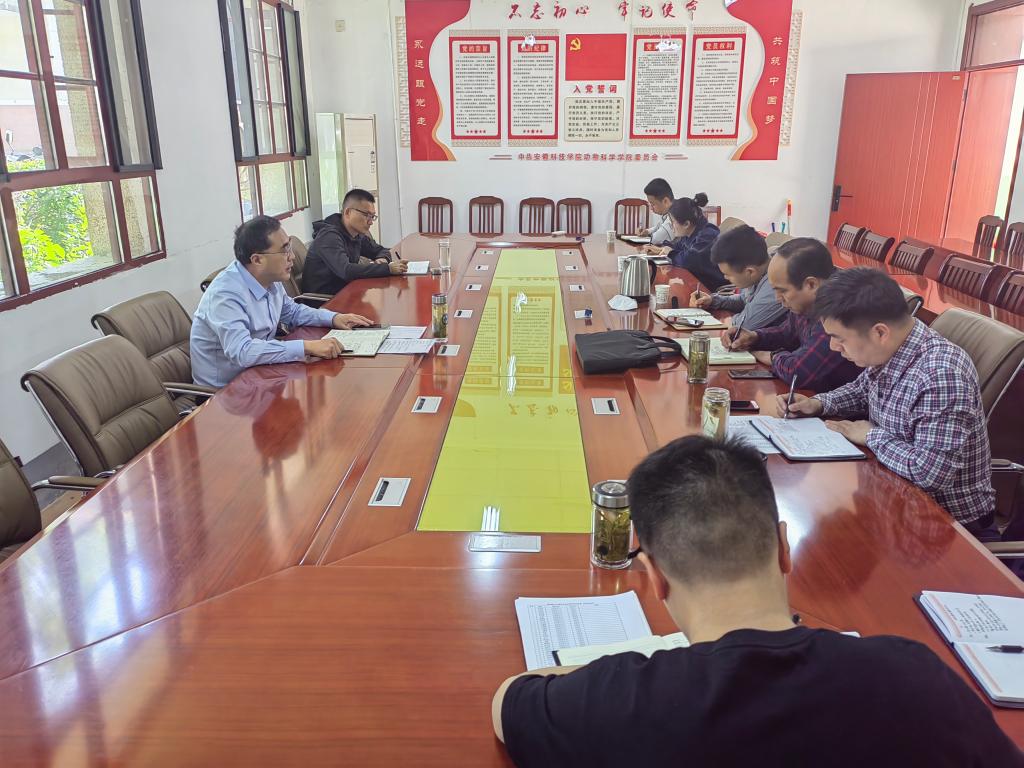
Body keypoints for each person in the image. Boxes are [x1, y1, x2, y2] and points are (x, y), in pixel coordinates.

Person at [493, 436, 1023, 767]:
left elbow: (508, 701)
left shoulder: (620, 699)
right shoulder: (912, 677)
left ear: (655, 578)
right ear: (784, 547)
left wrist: (605, 672)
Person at [782, 267, 999, 539]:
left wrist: (870, 435)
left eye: (839, 338)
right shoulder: (894, 347)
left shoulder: (941, 375)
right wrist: (818, 404)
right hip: (890, 498)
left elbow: (928, 473)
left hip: (946, 530)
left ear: (879, 332)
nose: (834, 347)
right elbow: (861, 390)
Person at [191, 216, 372, 389]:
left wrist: (333, 318)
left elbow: (292, 312)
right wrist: (306, 346)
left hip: (261, 374)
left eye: (290, 247)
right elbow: (243, 351)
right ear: (257, 259)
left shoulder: (268, 278)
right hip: (224, 393)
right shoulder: (225, 294)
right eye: (285, 250)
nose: (291, 256)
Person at [727, 237, 860, 391]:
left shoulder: (838, 311)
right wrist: (755, 337)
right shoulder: (807, 301)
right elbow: (788, 332)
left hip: (833, 402)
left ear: (811, 284)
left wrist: (772, 356)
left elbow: (797, 372)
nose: (777, 299)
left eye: (782, 291)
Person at [303, 188, 408, 295]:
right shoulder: (329, 236)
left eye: (372, 216)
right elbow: (346, 270)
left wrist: (383, 259)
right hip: (324, 300)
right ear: (348, 212)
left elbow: (381, 250)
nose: (370, 222)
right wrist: (387, 269)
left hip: (347, 291)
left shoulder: (356, 234)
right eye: (366, 215)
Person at [690, 224, 786, 331]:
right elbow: (744, 299)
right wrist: (712, 300)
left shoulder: (776, 284)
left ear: (750, 272)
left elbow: (744, 324)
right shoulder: (760, 268)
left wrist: (723, 320)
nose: (725, 278)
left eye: (728, 274)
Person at [644, 193, 727, 291]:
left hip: (712, 288)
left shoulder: (708, 234)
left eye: (673, 222)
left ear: (686, 224)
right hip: (697, 280)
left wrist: (670, 252)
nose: (671, 226)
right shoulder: (691, 231)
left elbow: (689, 260)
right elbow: (678, 246)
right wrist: (661, 248)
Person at [637, 178, 674, 245]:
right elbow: (659, 226)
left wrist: (649, 234)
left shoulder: (675, 216)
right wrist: (647, 231)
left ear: (665, 201)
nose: (651, 208)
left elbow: (655, 239)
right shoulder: (669, 212)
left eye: (653, 204)